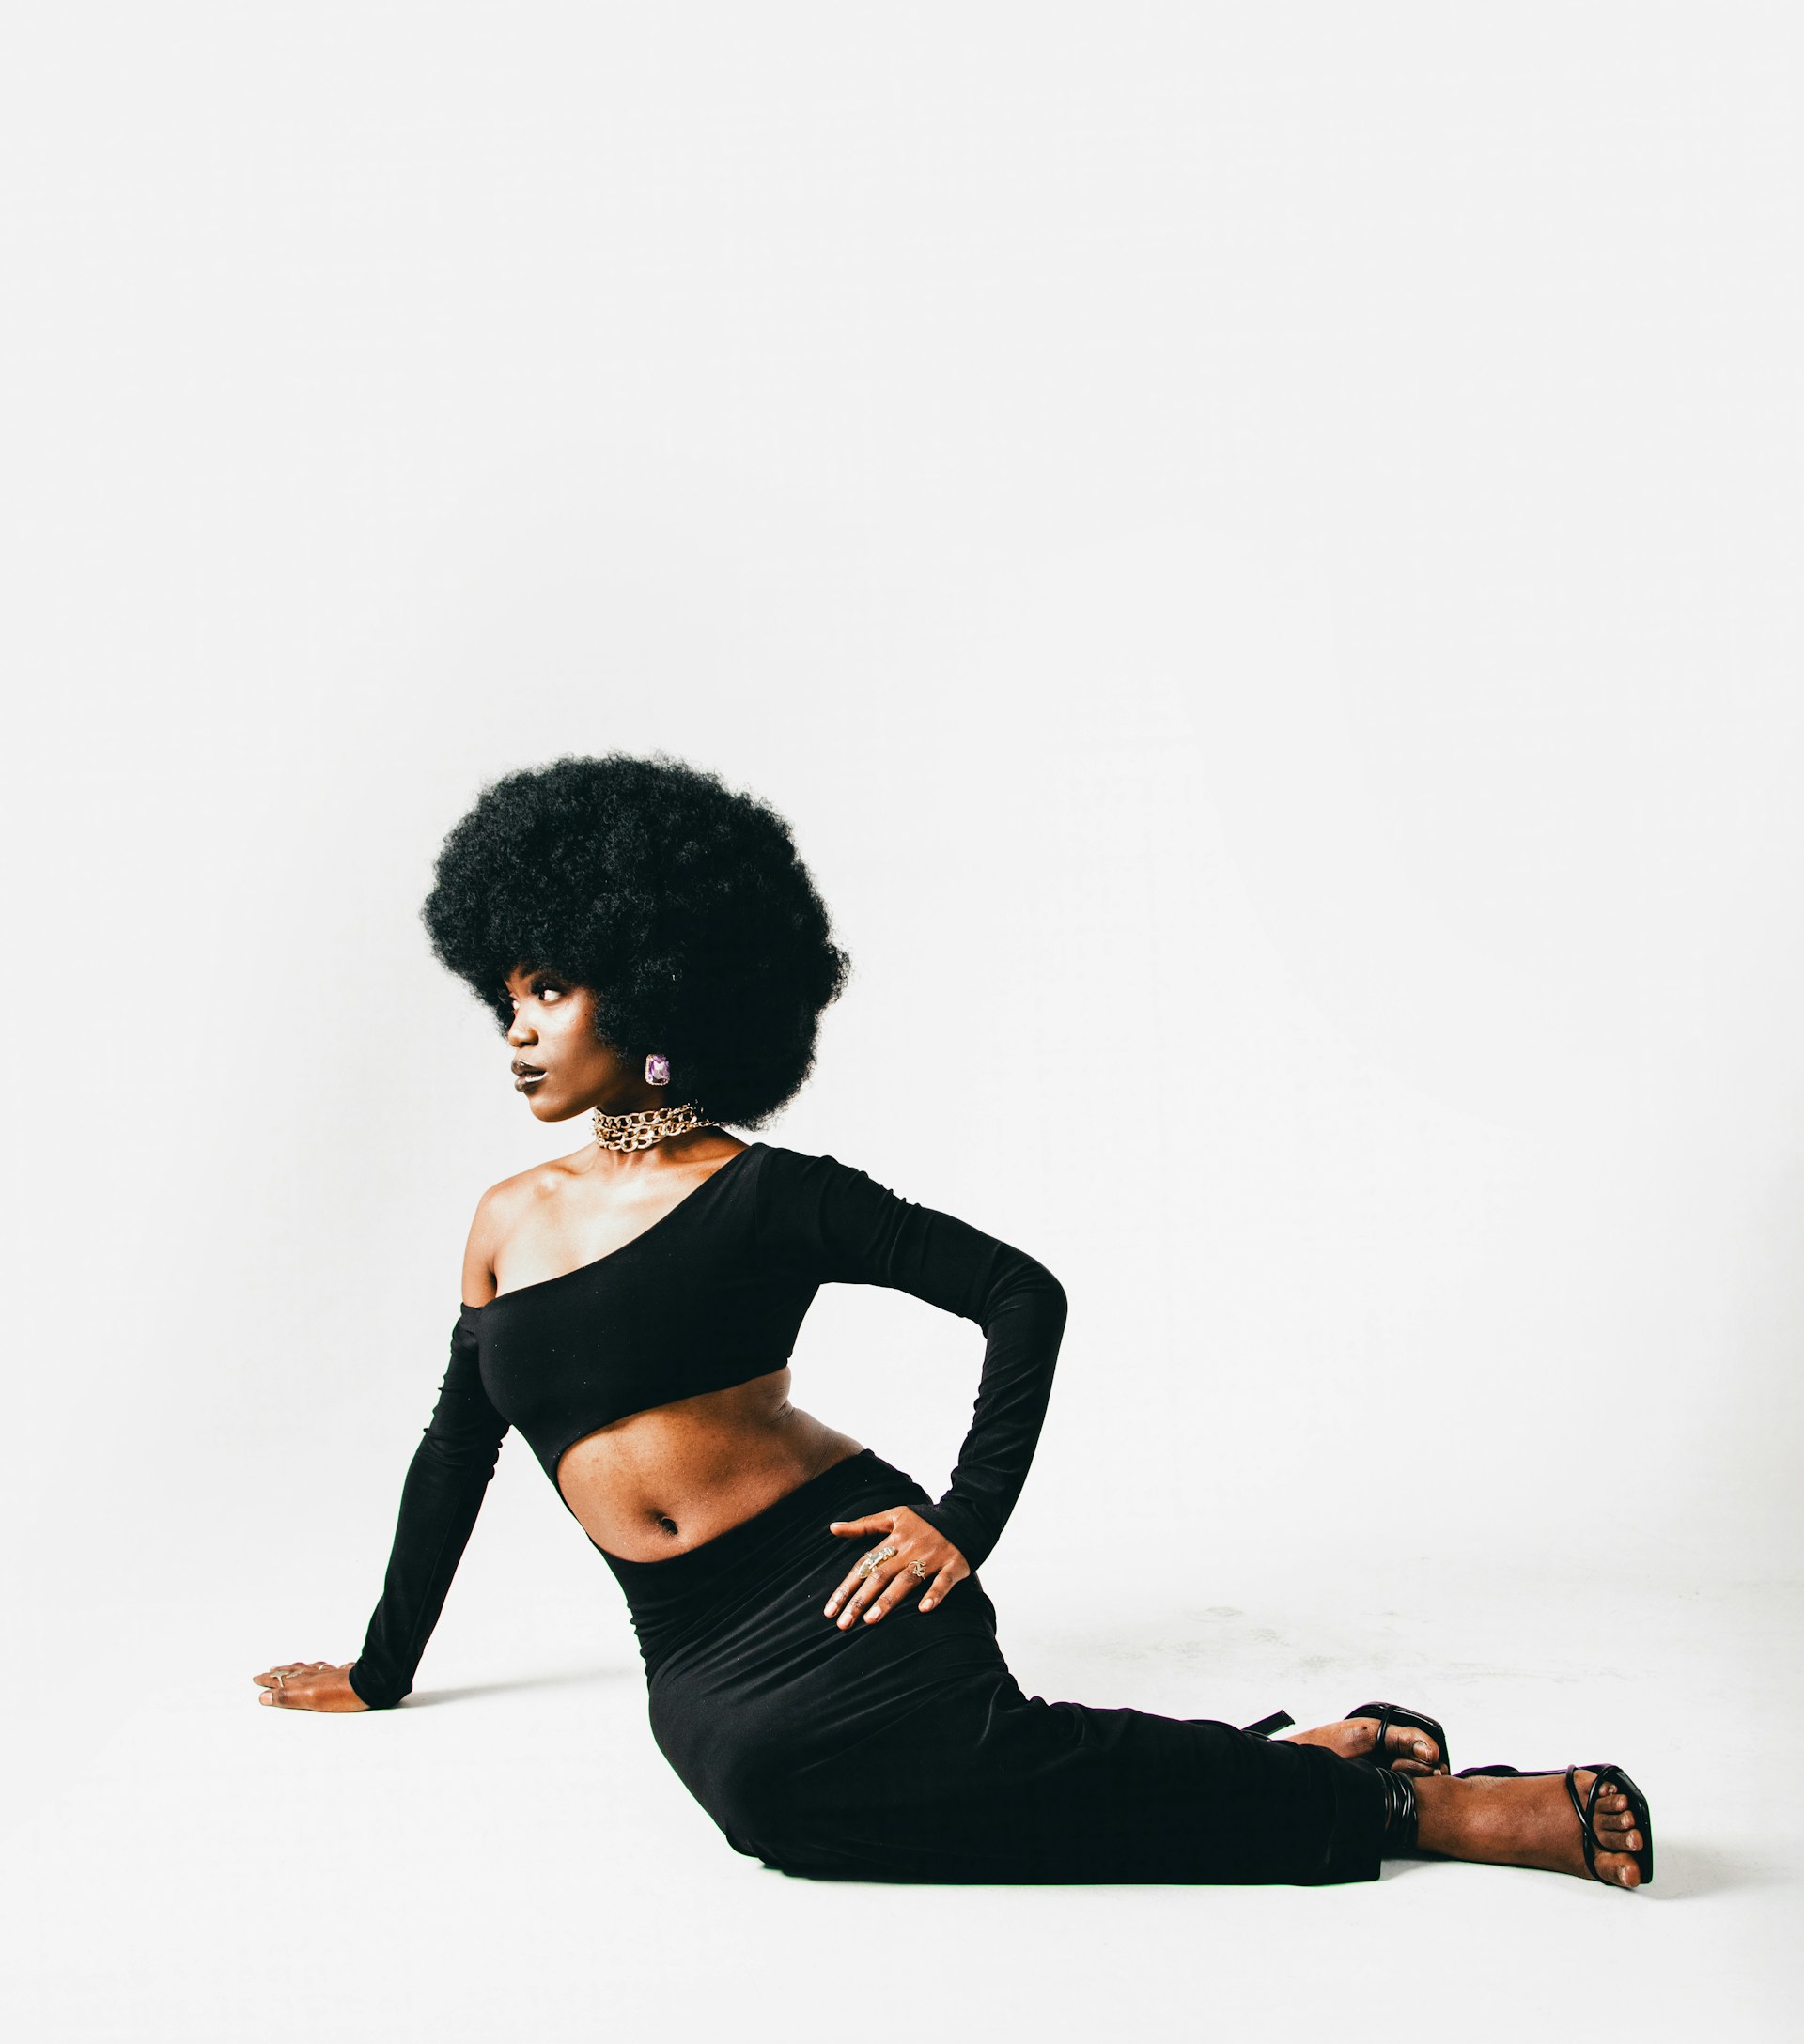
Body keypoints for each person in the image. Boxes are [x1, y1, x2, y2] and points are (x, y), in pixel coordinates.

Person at [254, 752, 1651, 1890]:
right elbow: (456, 1452)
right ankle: (1328, 1762)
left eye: (550, 991)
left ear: (655, 986)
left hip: (837, 1564)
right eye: (506, 998)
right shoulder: (503, 1216)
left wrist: (962, 1521)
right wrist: (384, 1670)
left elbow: (1018, 1295)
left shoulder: (771, 1195)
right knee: (770, 1810)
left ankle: (1441, 1817)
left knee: (916, 1769)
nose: (517, 1029)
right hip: (686, 1632)